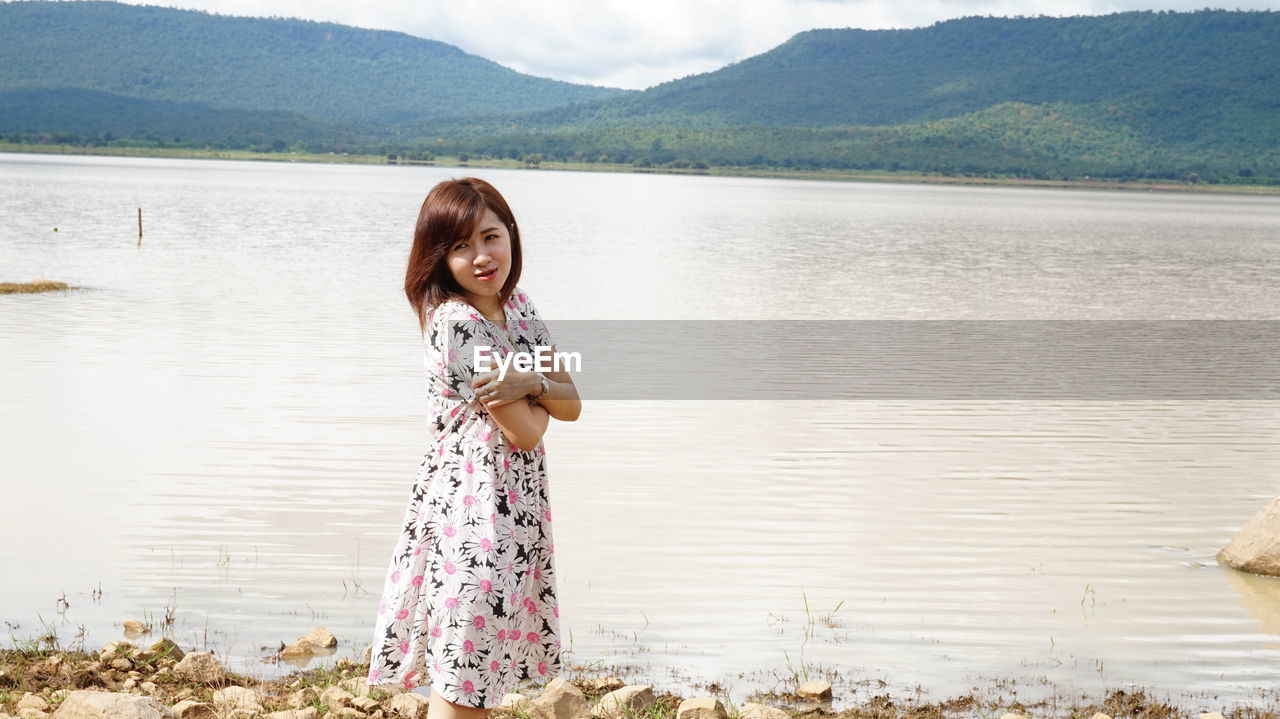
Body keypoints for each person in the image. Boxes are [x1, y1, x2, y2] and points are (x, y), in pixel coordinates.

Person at [368, 177, 581, 719]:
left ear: (511, 234)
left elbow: (572, 401)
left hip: (517, 512)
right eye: (461, 246)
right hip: (471, 512)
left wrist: (527, 384)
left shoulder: (521, 307)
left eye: (491, 236)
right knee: (464, 676)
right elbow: (527, 432)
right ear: (440, 258)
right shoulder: (456, 324)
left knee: (482, 672)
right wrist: (540, 389)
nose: (482, 256)